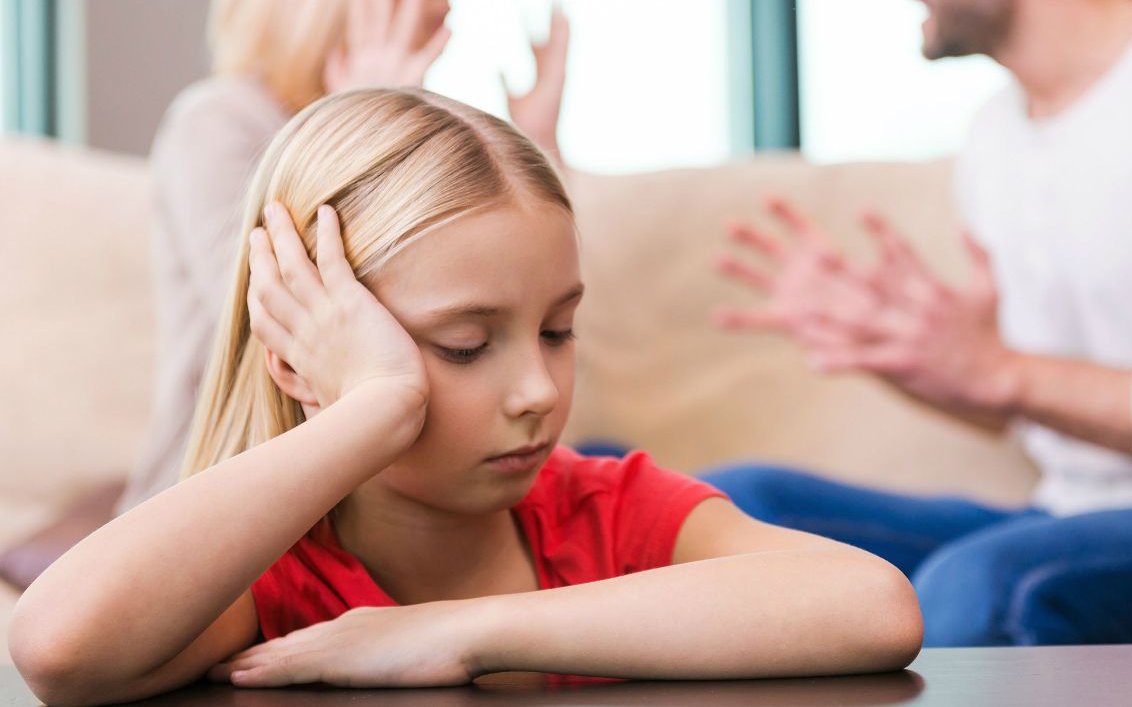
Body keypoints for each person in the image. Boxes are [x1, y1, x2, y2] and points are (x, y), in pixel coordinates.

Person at [7, 89, 922, 705]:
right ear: (299, 359)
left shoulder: (605, 515)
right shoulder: (277, 581)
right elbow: (57, 646)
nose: (536, 390)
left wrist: (458, 634)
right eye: (464, 346)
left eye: (558, 331)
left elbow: (873, 605)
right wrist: (376, 404)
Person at [710, 0, 1132, 647]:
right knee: (733, 505)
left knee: (979, 584)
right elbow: (1025, 405)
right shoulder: (994, 135)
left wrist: (1002, 370)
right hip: (1069, 510)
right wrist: (907, 348)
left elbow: (1018, 380)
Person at [117, 0, 569, 514]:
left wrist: (542, 151)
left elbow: (540, 308)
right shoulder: (217, 124)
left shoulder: (447, 140)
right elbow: (286, 333)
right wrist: (365, 131)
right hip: (226, 510)